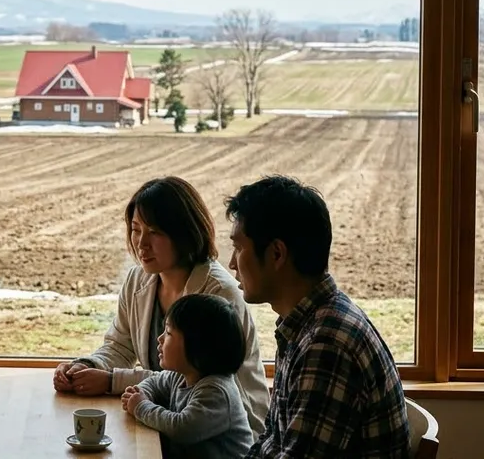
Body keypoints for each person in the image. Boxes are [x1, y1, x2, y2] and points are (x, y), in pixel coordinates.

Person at [54, 176, 269, 437]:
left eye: (154, 232)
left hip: (218, 437)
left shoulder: (219, 293)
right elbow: (120, 346)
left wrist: (112, 381)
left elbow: (199, 382)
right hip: (166, 418)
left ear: (184, 233)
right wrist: (87, 366)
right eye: (135, 229)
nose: (141, 243)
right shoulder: (137, 279)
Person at [226, 175, 410, 458]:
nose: (231, 263)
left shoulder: (326, 343)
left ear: (276, 254)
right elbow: (273, 441)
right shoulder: (304, 324)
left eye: (238, 248)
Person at [121, 294, 254, 459]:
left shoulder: (217, 391)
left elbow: (181, 428)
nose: (160, 338)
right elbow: (153, 383)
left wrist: (141, 406)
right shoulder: (180, 376)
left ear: (197, 346)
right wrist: (140, 394)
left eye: (169, 333)